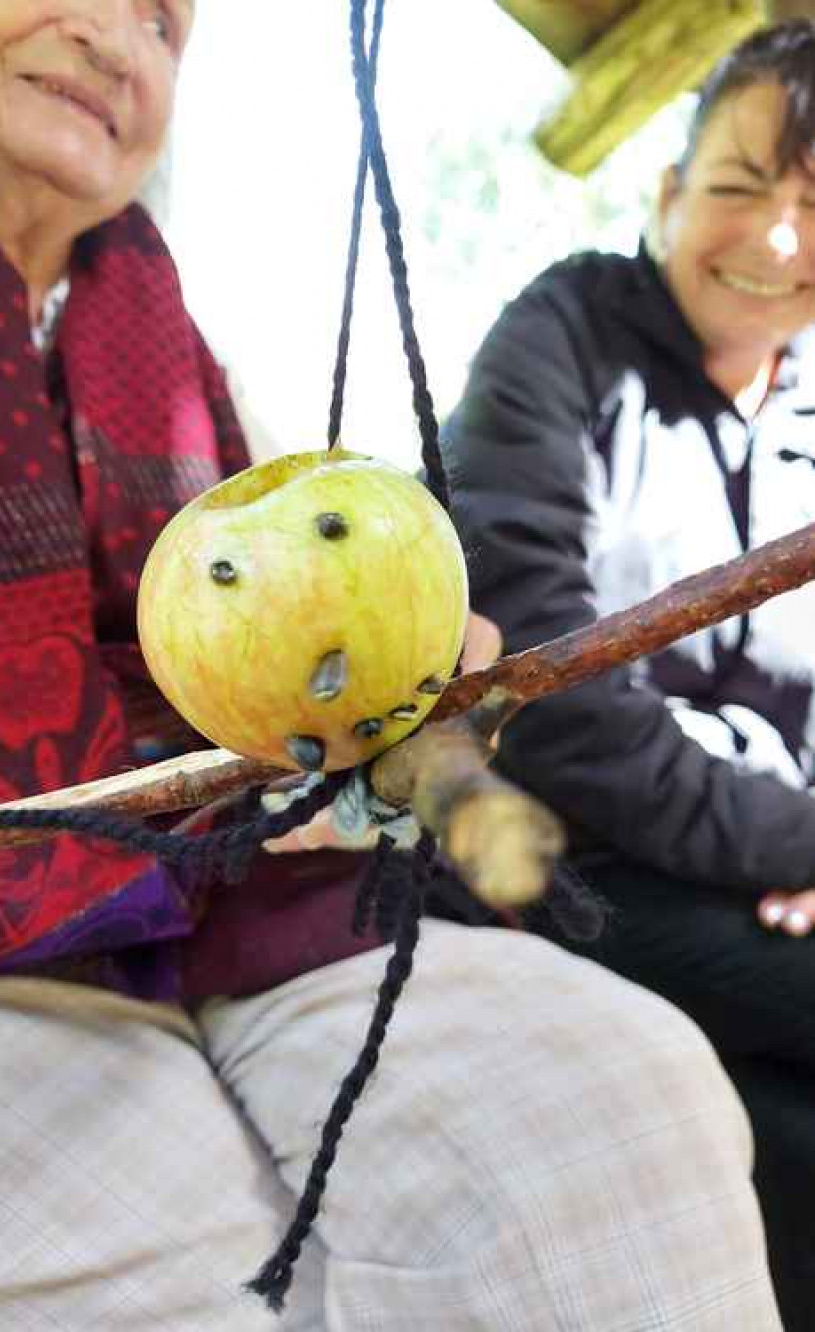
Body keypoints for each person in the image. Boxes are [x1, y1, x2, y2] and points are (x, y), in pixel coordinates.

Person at [0, 0, 783, 1328]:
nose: (116, 38)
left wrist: (415, 723)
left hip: (247, 911)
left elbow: (320, 731)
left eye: (165, 21)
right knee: (204, 1248)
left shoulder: (168, 340)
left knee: (629, 1095)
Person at [442, 18, 815, 1331]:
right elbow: (552, 703)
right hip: (546, 859)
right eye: (734, 187)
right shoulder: (557, 340)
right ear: (665, 194)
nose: (776, 239)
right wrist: (798, 842)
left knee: (782, 1131)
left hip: (758, 871)